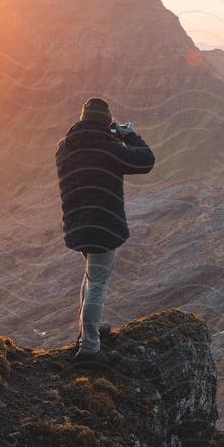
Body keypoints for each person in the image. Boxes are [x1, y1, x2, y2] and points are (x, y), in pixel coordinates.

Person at [54, 96, 155, 360]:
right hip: (103, 227)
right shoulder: (109, 149)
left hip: (77, 225)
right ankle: (89, 349)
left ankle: (88, 332)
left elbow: (87, 148)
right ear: (106, 122)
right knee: (97, 285)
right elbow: (146, 160)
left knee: (90, 280)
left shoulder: (64, 148)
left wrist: (106, 135)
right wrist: (128, 134)